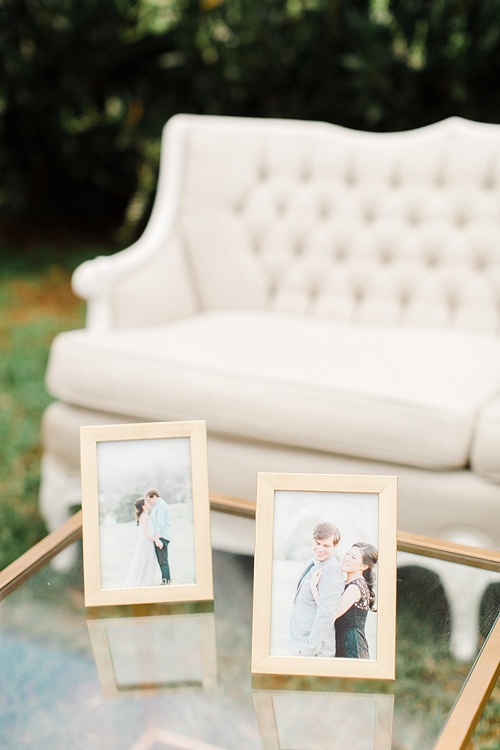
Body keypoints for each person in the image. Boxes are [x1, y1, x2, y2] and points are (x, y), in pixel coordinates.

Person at [312, 541, 378, 658]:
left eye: (353, 557)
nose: (347, 558)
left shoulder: (356, 587)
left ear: (364, 566)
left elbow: (330, 614)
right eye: (347, 553)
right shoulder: (346, 583)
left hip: (352, 648)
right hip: (341, 644)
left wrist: (314, 589)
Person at [289, 521, 344, 657]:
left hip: (315, 652)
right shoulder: (310, 562)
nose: (320, 549)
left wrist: (309, 649)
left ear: (335, 547)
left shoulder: (332, 570)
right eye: (317, 543)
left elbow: (326, 614)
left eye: (326, 546)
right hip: (299, 643)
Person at [122, 497, 163, 588]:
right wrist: (156, 540)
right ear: (143, 506)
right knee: (144, 562)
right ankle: (144, 582)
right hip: (145, 542)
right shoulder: (144, 517)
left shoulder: (144, 516)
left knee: (145, 562)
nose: (148, 503)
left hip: (146, 542)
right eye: (146, 502)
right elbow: (145, 533)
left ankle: (146, 581)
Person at [146, 487, 172, 585]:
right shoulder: (157, 506)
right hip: (159, 536)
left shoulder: (161, 506)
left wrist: (157, 539)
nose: (150, 502)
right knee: (162, 560)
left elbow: (160, 524)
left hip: (161, 537)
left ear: (155, 496)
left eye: (150, 499)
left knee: (163, 560)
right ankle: (166, 579)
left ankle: (166, 580)